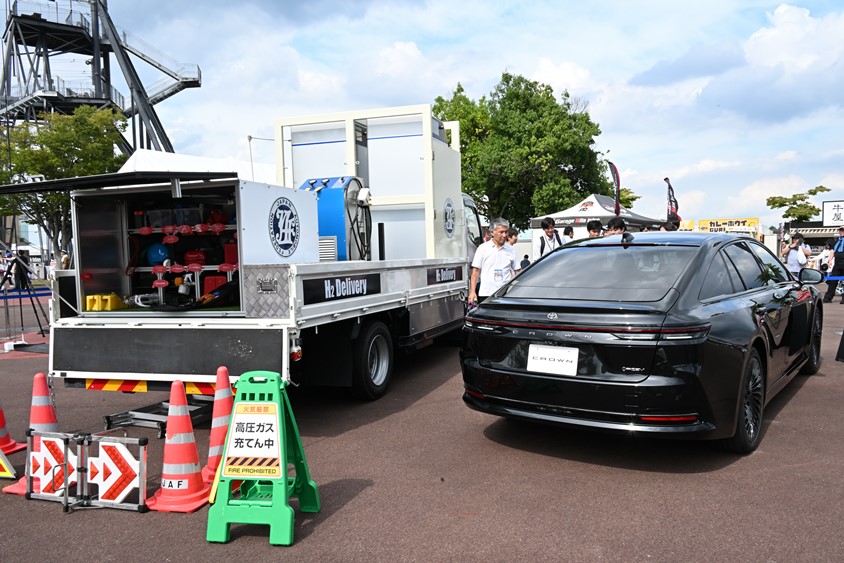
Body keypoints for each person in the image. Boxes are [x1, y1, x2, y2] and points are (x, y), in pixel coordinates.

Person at [469, 217, 520, 305]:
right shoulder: (483, 248)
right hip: (486, 294)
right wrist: (472, 292)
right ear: (492, 232)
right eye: (501, 232)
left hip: (505, 294)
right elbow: (475, 271)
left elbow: (518, 271)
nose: (504, 235)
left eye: (506, 232)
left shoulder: (511, 250)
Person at [823, 227, 844, 303]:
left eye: (842, 230)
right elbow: (833, 251)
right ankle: (828, 298)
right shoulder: (837, 240)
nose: (841, 232)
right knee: (832, 281)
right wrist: (830, 260)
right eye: (840, 230)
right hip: (837, 263)